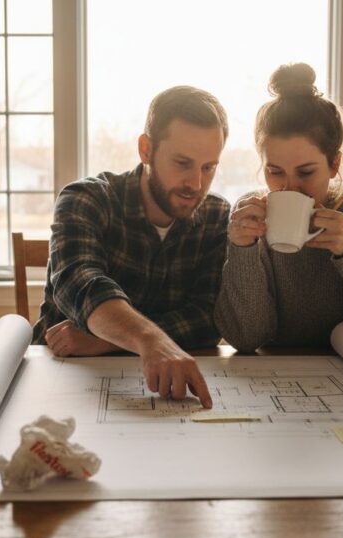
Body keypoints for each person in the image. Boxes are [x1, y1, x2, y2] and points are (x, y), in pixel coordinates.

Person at [33, 86, 232, 408]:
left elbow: (208, 319)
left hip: (163, 388)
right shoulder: (86, 199)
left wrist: (108, 341)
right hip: (60, 377)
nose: (196, 184)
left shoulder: (217, 216)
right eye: (182, 163)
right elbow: (80, 283)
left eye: (209, 167)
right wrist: (149, 340)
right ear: (145, 150)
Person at [215, 63, 343, 353]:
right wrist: (243, 251)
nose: (289, 188)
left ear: (334, 164)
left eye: (305, 172)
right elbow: (247, 338)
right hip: (276, 379)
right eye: (275, 171)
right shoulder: (251, 214)